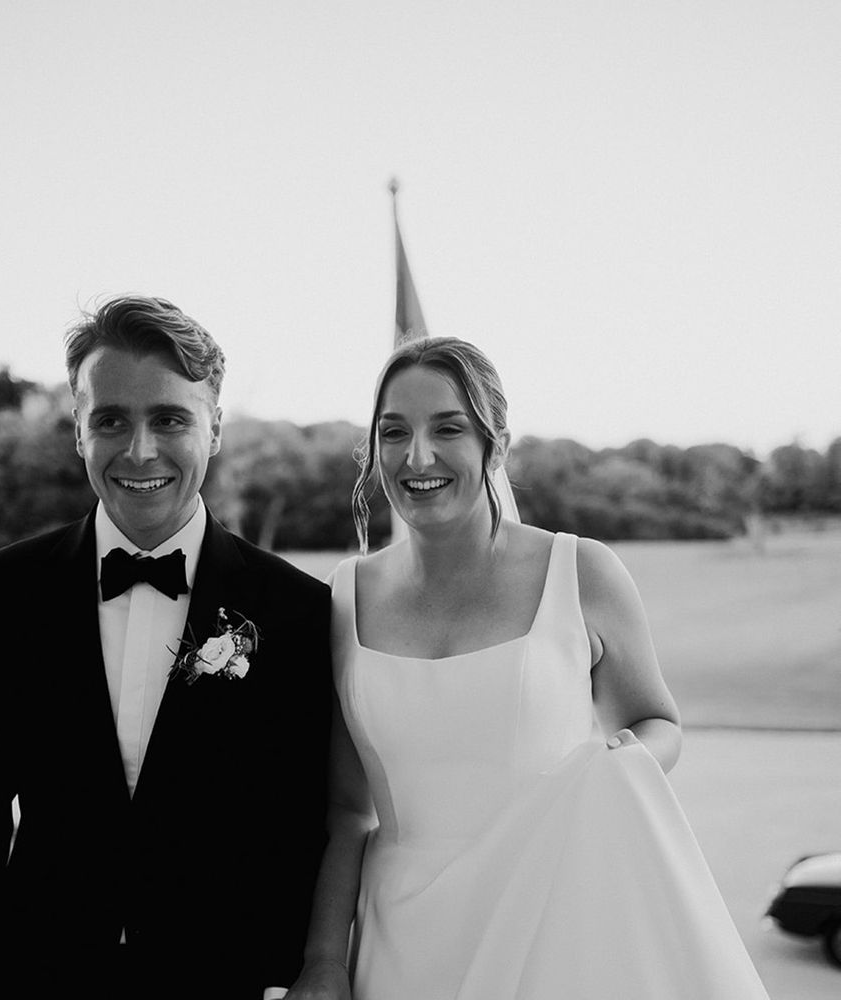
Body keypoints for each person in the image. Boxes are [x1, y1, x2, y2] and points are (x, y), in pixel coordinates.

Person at [285, 337, 770, 999]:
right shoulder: (344, 597)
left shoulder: (582, 572)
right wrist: (323, 962)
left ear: (496, 444)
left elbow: (658, 721)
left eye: (448, 429)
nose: (416, 456)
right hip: (400, 949)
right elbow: (347, 811)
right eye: (393, 432)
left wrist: (624, 767)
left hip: (552, 929)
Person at [0, 296, 334, 999]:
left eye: (170, 418)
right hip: (38, 975)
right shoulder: (7, 590)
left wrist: (282, 974)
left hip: (218, 979)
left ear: (215, 427)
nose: (139, 450)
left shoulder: (294, 608)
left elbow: (299, 828)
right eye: (110, 420)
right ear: (79, 431)